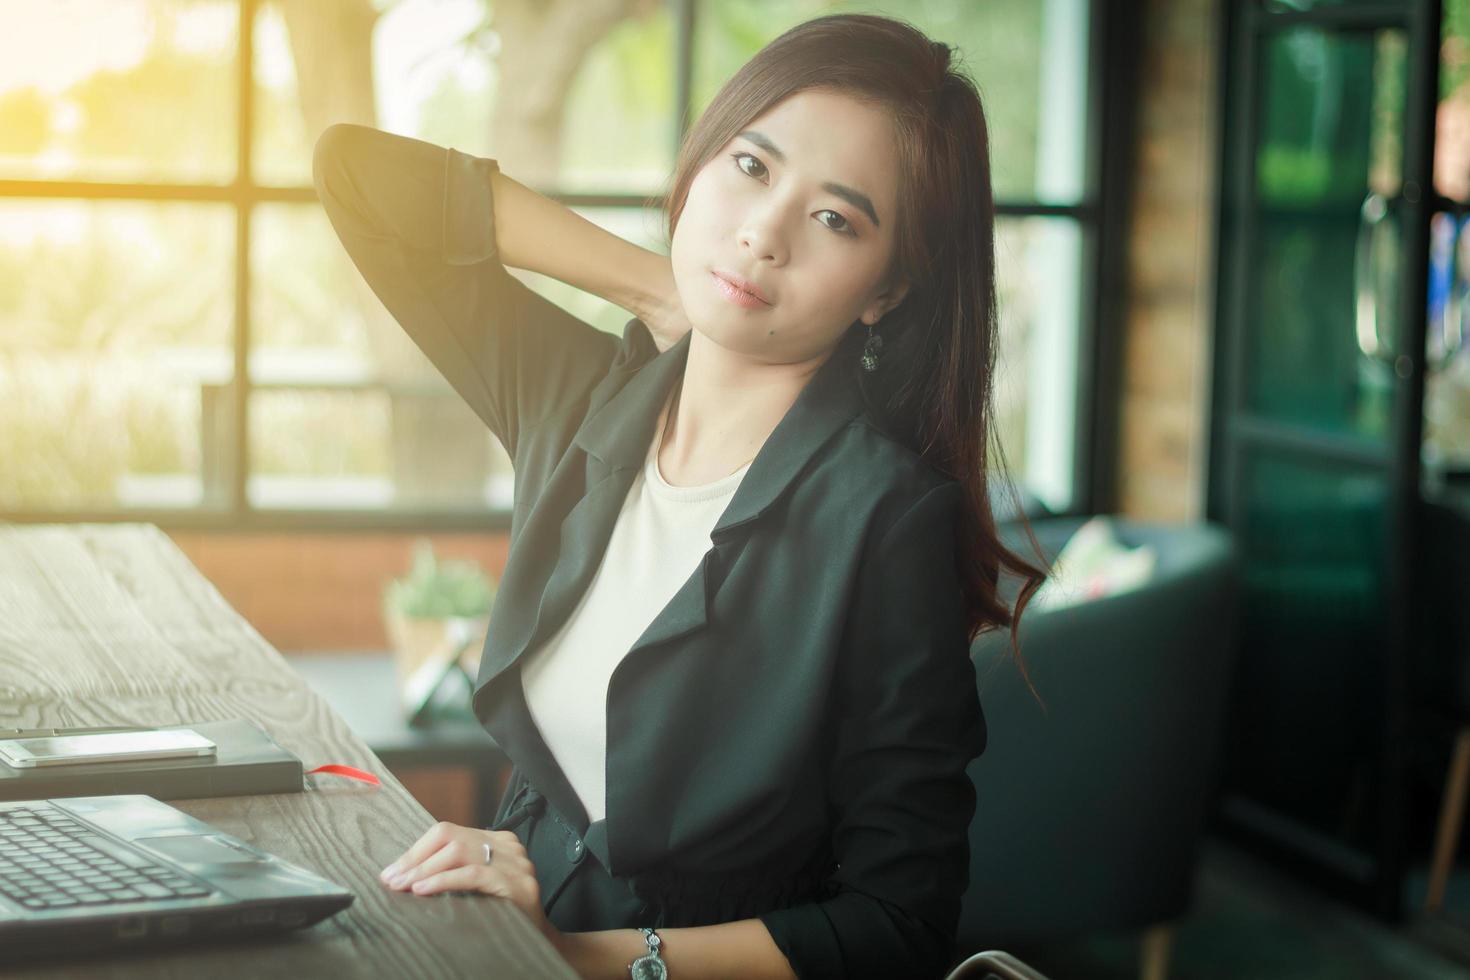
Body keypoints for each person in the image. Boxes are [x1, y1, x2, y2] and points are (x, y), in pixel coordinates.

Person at [312, 12, 1046, 979]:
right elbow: (358, 177)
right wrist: (659, 291)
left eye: (836, 218)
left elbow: (896, 923)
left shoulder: (883, 520)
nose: (763, 233)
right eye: (750, 166)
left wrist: (578, 957)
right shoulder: (578, 401)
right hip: (500, 932)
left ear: (887, 290)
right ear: (699, 162)